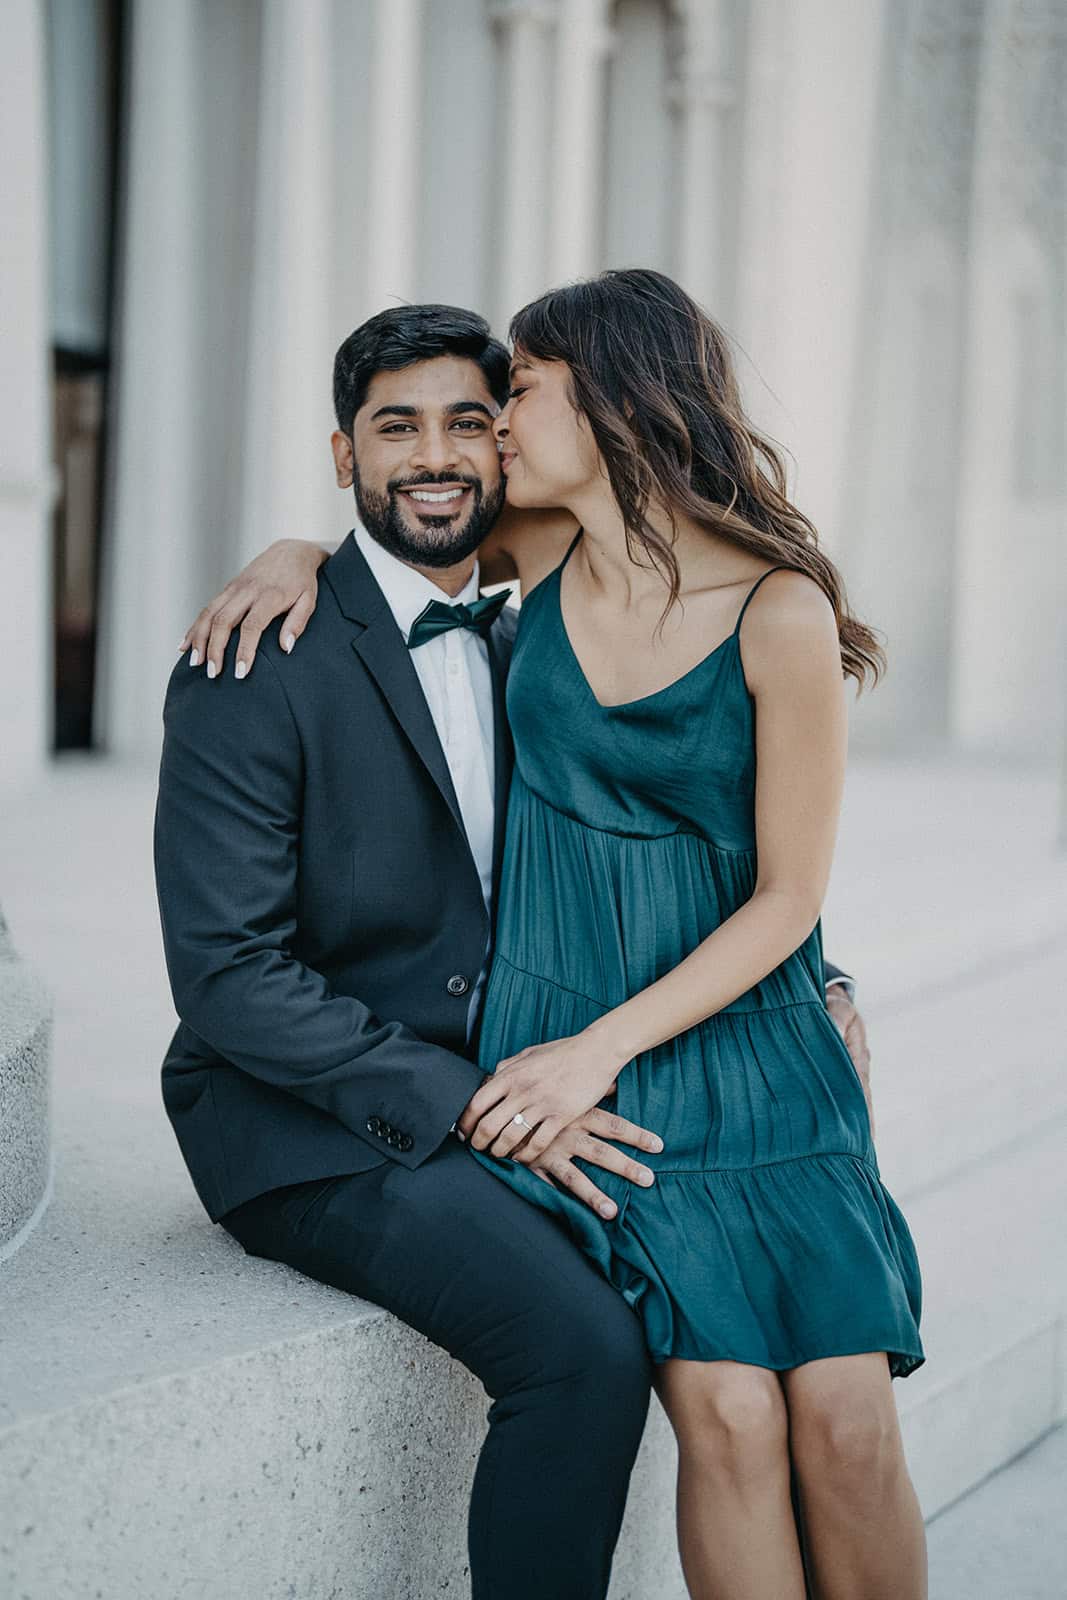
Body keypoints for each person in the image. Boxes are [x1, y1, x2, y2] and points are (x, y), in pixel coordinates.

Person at [173, 289, 886, 1599]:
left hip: (583, 1062)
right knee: (619, 1362)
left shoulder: (530, 614)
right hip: (336, 1115)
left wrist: (809, 973)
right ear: (344, 454)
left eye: (482, 414)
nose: (449, 451)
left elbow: (691, 832)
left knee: (820, 1405)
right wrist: (290, 551)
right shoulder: (263, 658)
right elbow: (228, 978)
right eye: (398, 428)